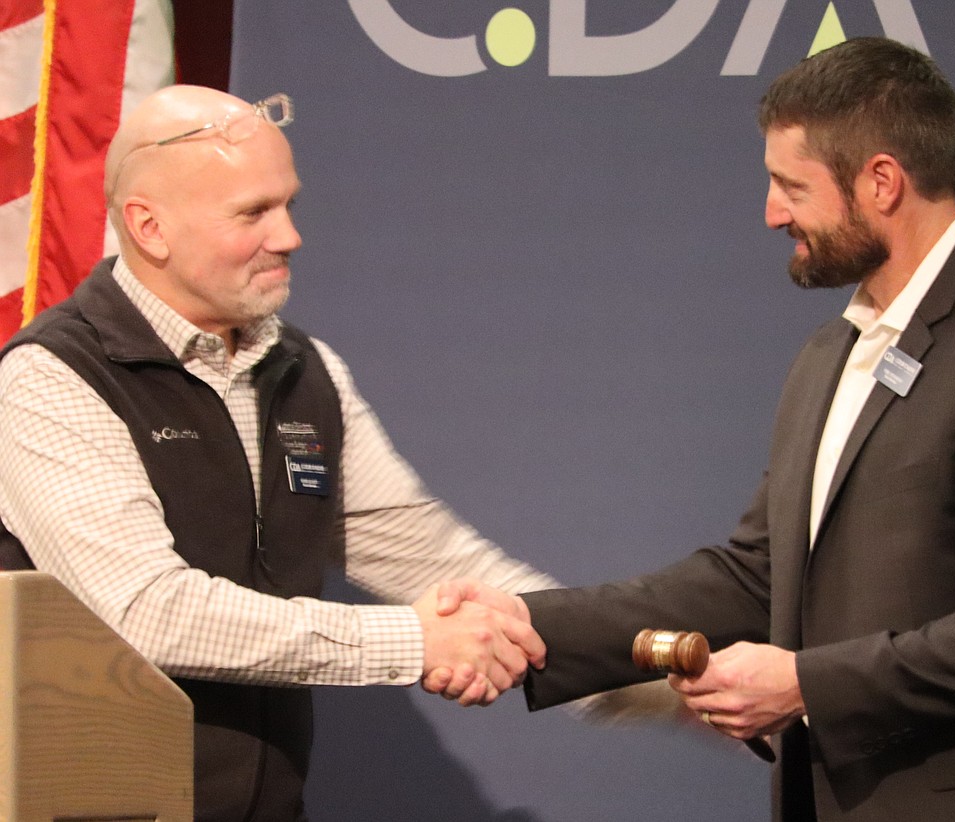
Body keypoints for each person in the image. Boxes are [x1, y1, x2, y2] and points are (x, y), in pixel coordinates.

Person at [437, 37, 955, 821]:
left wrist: (806, 685)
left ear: (882, 181)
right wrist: (533, 623)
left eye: (791, 186)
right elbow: (759, 574)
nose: (772, 212)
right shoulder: (832, 352)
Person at [0, 85, 555, 822]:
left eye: (289, 204)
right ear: (149, 228)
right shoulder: (51, 378)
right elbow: (148, 611)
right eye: (254, 213)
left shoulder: (304, 369)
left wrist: (632, 660)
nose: (289, 236)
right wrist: (410, 641)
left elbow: (426, 553)